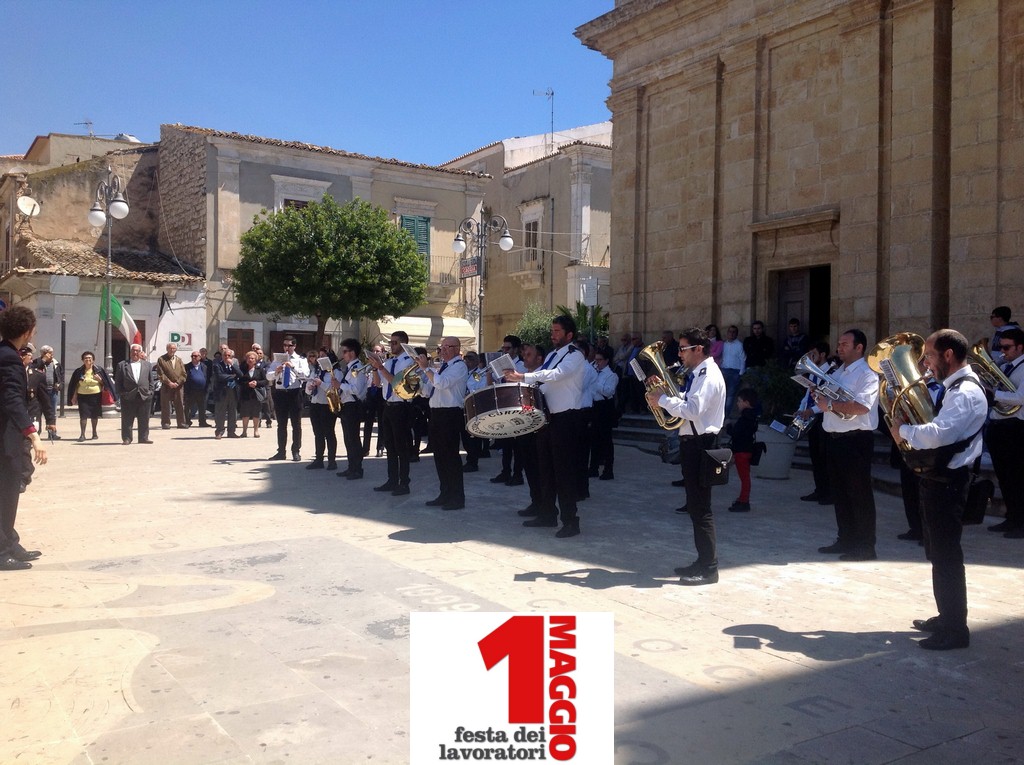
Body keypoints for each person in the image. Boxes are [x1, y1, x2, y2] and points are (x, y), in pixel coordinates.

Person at [890, 329, 988, 650]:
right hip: (938, 480)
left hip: (950, 483)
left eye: (930, 356)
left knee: (946, 555)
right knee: (937, 553)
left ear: (948, 355)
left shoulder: (966, 393)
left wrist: (902, 429)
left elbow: (938, 434)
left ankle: (956, 629)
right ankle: (946, 616)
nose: (925, 363)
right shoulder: (953, 388)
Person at [646, 327, 727, 585]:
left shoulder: (709, 375)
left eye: (683, 349)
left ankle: (709, 568)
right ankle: (702, 561)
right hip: (692, 442)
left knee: (701, 509)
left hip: (702, 443)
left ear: (699, 349)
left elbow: (693, 410)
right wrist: (662, 398)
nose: (679, 354)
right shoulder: (698, 374)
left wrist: (664, 401)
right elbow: (688, 401)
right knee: (695, 507)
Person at [505, 315, 588, 538]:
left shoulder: (575, 355)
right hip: (547, 417)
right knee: (546, 469)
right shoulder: (551, 355)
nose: (553, 335)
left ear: (569, 335)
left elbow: (556, 375)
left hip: (566, 419)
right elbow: (543, 380)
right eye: (552, 331)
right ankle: (547, 513)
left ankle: (571, 521)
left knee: (564, 473)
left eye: (558, 331)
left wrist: (524, 375)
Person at [814, 329, 879, 561]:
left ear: (859, 347)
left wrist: (830, 405)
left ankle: (865, 545)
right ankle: (846, 538)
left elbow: (862, 407)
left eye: (844, 344)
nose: (838, 347)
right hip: (834, 437)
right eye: (839, 343)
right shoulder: (837, 371)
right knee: (840, 493)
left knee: (859, 493)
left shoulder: (867, 374)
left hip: (855, 439)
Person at [0, 305, 48, 570]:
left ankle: (9, 541)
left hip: (7, 435)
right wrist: (33, 435)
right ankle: (2, 550)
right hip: (6, 438)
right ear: (27, 331)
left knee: (9, 491)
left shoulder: (6, 353)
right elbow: (11, 400)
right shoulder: (8, 358)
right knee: (5, 492)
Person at [419, 336, 469, 510]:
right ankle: (445, 492)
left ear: (457, 348)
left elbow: (442, 384)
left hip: (450, 414)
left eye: (448, 346)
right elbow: (429, 390)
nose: (443, 350)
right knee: (439, 456)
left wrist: (426, 369)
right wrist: (418, 383)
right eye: (442, 347)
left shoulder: (459, 366)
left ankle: (457, 497)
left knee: (451, 457)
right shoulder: (443, 367)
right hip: (436, 414)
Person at [985, 327, 1024, 538]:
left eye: (1007, 347)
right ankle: (1011, 518)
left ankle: (1021, 522)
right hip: (1000, 426)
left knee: (1017, 477)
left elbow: (1020, 398)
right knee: (1005, 477)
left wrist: (995, 394)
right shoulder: (1005, 366)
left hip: (1016, 429)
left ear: (1020, 347)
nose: (1003, 351)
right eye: (1001, 347)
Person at [367, 331, 415, 496]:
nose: (391, 345)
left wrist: (380, 367)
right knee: (390, 445)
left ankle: (404, 482)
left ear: (403, 344)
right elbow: (378, 383)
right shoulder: (390, 361)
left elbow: (396, 382)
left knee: (401, 447)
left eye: (394, 342)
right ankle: (392, 479)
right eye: (391, 342)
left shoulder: (408, 362)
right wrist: (375, 369)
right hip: (387, 405)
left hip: (401, 406)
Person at [794, 341, 833, 505]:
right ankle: (820, 490)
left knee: (825, 456)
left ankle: (829, 493)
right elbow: (807, 395)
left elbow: (830, 398)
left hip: (824, 417)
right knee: (815, 456)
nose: (811, 357)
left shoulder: (832, 373)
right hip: (812, 418)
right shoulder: (812, 372)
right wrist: (801, 409)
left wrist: (812, 411)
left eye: (814, 354)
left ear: (823, 354)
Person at [266, 336, 309, 461]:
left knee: (296, 424)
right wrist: (276, 372)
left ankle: (296, 451)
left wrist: (293, 367)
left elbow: (305, 375)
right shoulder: (277, 360)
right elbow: (268, 376)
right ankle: (281, 451)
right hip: (280, 394)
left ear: (294, 346)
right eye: (285, 345)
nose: (286, 348)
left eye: (289, 345)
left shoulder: (300, 360)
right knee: (281, 424)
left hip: (294, 393)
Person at [336, 338, 369, 480]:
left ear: (352, 352)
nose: (342, 354)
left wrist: (340, 386)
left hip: (353, 406)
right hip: (346, 406)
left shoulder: (358, 369)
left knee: (354, 438)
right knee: (348, 438)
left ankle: (357, 469)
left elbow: (356, 390)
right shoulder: (349, 367)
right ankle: (351, 467)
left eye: (345, 351)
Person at [67, 351, 115, 442]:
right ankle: (82, 434)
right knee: (83, 416)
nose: (88, 360)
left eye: (90, 358)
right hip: (82, 396)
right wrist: (74, 397)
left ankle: (94, 433)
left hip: (95, 395)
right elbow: (75, 385)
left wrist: (100, 380)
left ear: (93, 360)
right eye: (85, 358)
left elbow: (106, 383)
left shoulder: (99, 370)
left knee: (94, 415)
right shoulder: (78, 371)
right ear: (82, 360)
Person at [114, 343, 155, 445]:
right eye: (133, 350)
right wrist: (122, 394)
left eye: (137, 351)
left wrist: (150, 392)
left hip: (144, 395)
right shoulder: (122, 365)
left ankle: (143, 438)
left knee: (144, 418)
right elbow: (118, 381)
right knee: (127, 419)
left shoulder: (147, 365)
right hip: (128, 396)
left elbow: (151, 381)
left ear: (140, 352)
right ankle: (127, 438)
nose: (135, 352)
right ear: (130, 352)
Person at [305, 348, 339, 470]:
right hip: (315, 404)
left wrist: (321, 384)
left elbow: (335, 390)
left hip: (327, 405)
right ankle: (319, 459)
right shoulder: (316, 371)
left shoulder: (335, 372)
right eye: (319, 356)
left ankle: (332, 461)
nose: (320, 359)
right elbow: (307, 390)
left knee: (329, 433)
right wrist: (310, 386)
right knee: (318, 433)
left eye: (323, 356)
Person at [588, 347, 618, 480]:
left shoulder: (611, 375)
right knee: (593, 439)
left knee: (606, 440)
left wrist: (594, 380)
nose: (597, 362)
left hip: (605, 407)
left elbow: (608, 391)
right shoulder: (594, 371)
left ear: (606, 361)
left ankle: (608, 470)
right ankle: (593, 468)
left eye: (600, 360)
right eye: (596, 360)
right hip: (594, 407)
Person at [727, 388, 759, 512]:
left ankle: (744, 501)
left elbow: (735, 433)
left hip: (742, 451)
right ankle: (742, 499)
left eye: (740, 401)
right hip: (745, 449)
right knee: (744, 477)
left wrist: (728, 425)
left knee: (744, 478)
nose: (738, 403)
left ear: (746, 402)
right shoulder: (752, 416)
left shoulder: (746, 417)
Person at [461, 351, 488, 474]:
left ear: (477, 360)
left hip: (473, 406)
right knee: (465, 436)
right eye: (466, 358)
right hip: (462, 406)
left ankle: (473, 461)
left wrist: (469, 392)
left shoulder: (478, 373)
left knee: (472, 436)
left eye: (470, 358)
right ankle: (470, 458)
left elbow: (480, 387)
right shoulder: (463, 373)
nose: (468, 361)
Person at [22, 345, 55, 439]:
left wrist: (50, 421)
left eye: (27, 355)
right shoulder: (8, 373)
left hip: (32, 415)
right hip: (14, 419)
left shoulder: (37, 375)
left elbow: (45, 400)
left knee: (27, 446)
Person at [32, 345, 63, 438]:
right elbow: (33, 369)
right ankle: (38, 432)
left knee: (52, 412)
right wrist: (43, 360)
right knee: (39, 412)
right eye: (49, 354)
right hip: (40, 392)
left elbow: (61, 376)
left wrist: (60, 384)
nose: (51, 356)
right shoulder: (37, 362)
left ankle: (52, 433)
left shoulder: (56, 363)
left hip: (52, 391)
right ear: (43, 354)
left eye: (52, 354)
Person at [156, 342, 188, 429]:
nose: (172, 350)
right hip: (167, 386)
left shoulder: (179, 360)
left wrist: (178, 382)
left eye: (174, 348)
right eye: (170, 348)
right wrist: (169, 383)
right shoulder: (161, 359)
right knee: (165, 405)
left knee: (180, 404)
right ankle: (166, 423)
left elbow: (183, 374)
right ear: (167, 349)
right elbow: (160, 374)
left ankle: (181, 423)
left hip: (178, 386)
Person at [237, 350, 268, 438]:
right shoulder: (242, 369)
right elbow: (239, 381)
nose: (250, 360)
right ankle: (244, 431)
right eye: (249, 358)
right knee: (245, 413)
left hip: (256, 394)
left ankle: (256, 431)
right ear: (246, 359)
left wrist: (256, 383)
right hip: (245, 394)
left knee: (256, 413)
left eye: (252, 358)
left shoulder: (260, 370)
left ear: (256, 360)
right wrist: (247, 384)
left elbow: (265, 381)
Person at [212, 348, 241, 440]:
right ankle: (219, 431)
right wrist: (232, 376)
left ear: (232, 357)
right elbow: (220, 376)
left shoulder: (234, 365)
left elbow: (240, 374)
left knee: (233, 412)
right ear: (222, 356)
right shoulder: (218, 365)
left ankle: (231, 432)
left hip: (233, 391)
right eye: (225, 355)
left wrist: (232, 365)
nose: (227, 357)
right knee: (220, 412)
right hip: (222, 392)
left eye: (229, 356)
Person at [720, 325, 746, 417]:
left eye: (734, 332)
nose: (731, 333)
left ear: (737, 334)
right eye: (730, 331)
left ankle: (726, 415)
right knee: (721, 394)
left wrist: (740, 373)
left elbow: (743, 359)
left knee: (730, 395)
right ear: (727, 333)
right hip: (723, 371)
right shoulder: (724, 344)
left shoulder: (739, 345)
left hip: (735, 372)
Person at [184, 351, 211, 427]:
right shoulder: (187, 366)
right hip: (191, 390)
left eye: (195, 356)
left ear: (200, 357)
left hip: (202, 390)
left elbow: (207, 377)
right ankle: (187, 421)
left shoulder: (204, 366)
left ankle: (202, 422)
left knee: (202, 407)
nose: (193, 357)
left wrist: (207, 387)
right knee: (188, 407)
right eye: (192, 356)